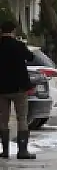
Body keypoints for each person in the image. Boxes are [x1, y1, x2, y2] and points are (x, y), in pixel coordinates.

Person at [0, 21, 37, 160]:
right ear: (13, 31)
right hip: (19, 88)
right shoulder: (18, 46)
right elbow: (31, 57)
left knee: (3, 119)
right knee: (22, 118)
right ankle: (22, 151)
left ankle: (4, 151)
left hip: (2, 89)